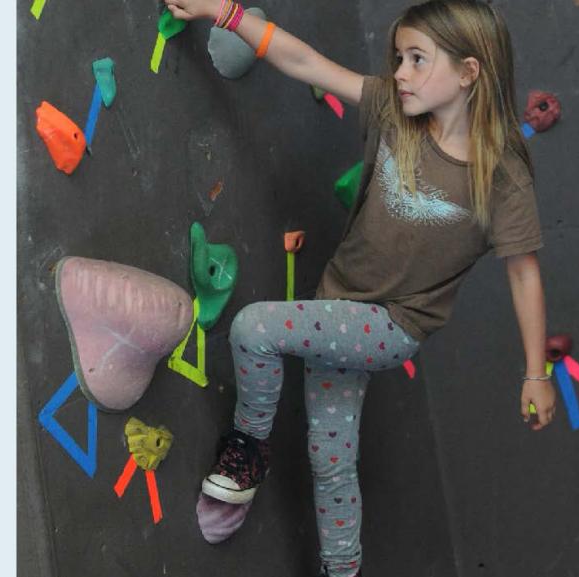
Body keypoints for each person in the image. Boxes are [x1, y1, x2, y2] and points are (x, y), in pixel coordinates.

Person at [163, 0, 557, 575]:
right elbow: (304, 61)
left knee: (254, 328)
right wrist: (224, 11)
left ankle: (248, 446)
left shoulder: (501, 177)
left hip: (393, 326)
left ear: (470, 71)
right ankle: (343, 569)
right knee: (332, 457)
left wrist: (534, 373)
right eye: (399, 57)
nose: (400, 72)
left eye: (418, 60)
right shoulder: (395, 113)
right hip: (336, 302)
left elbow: (524, 273)